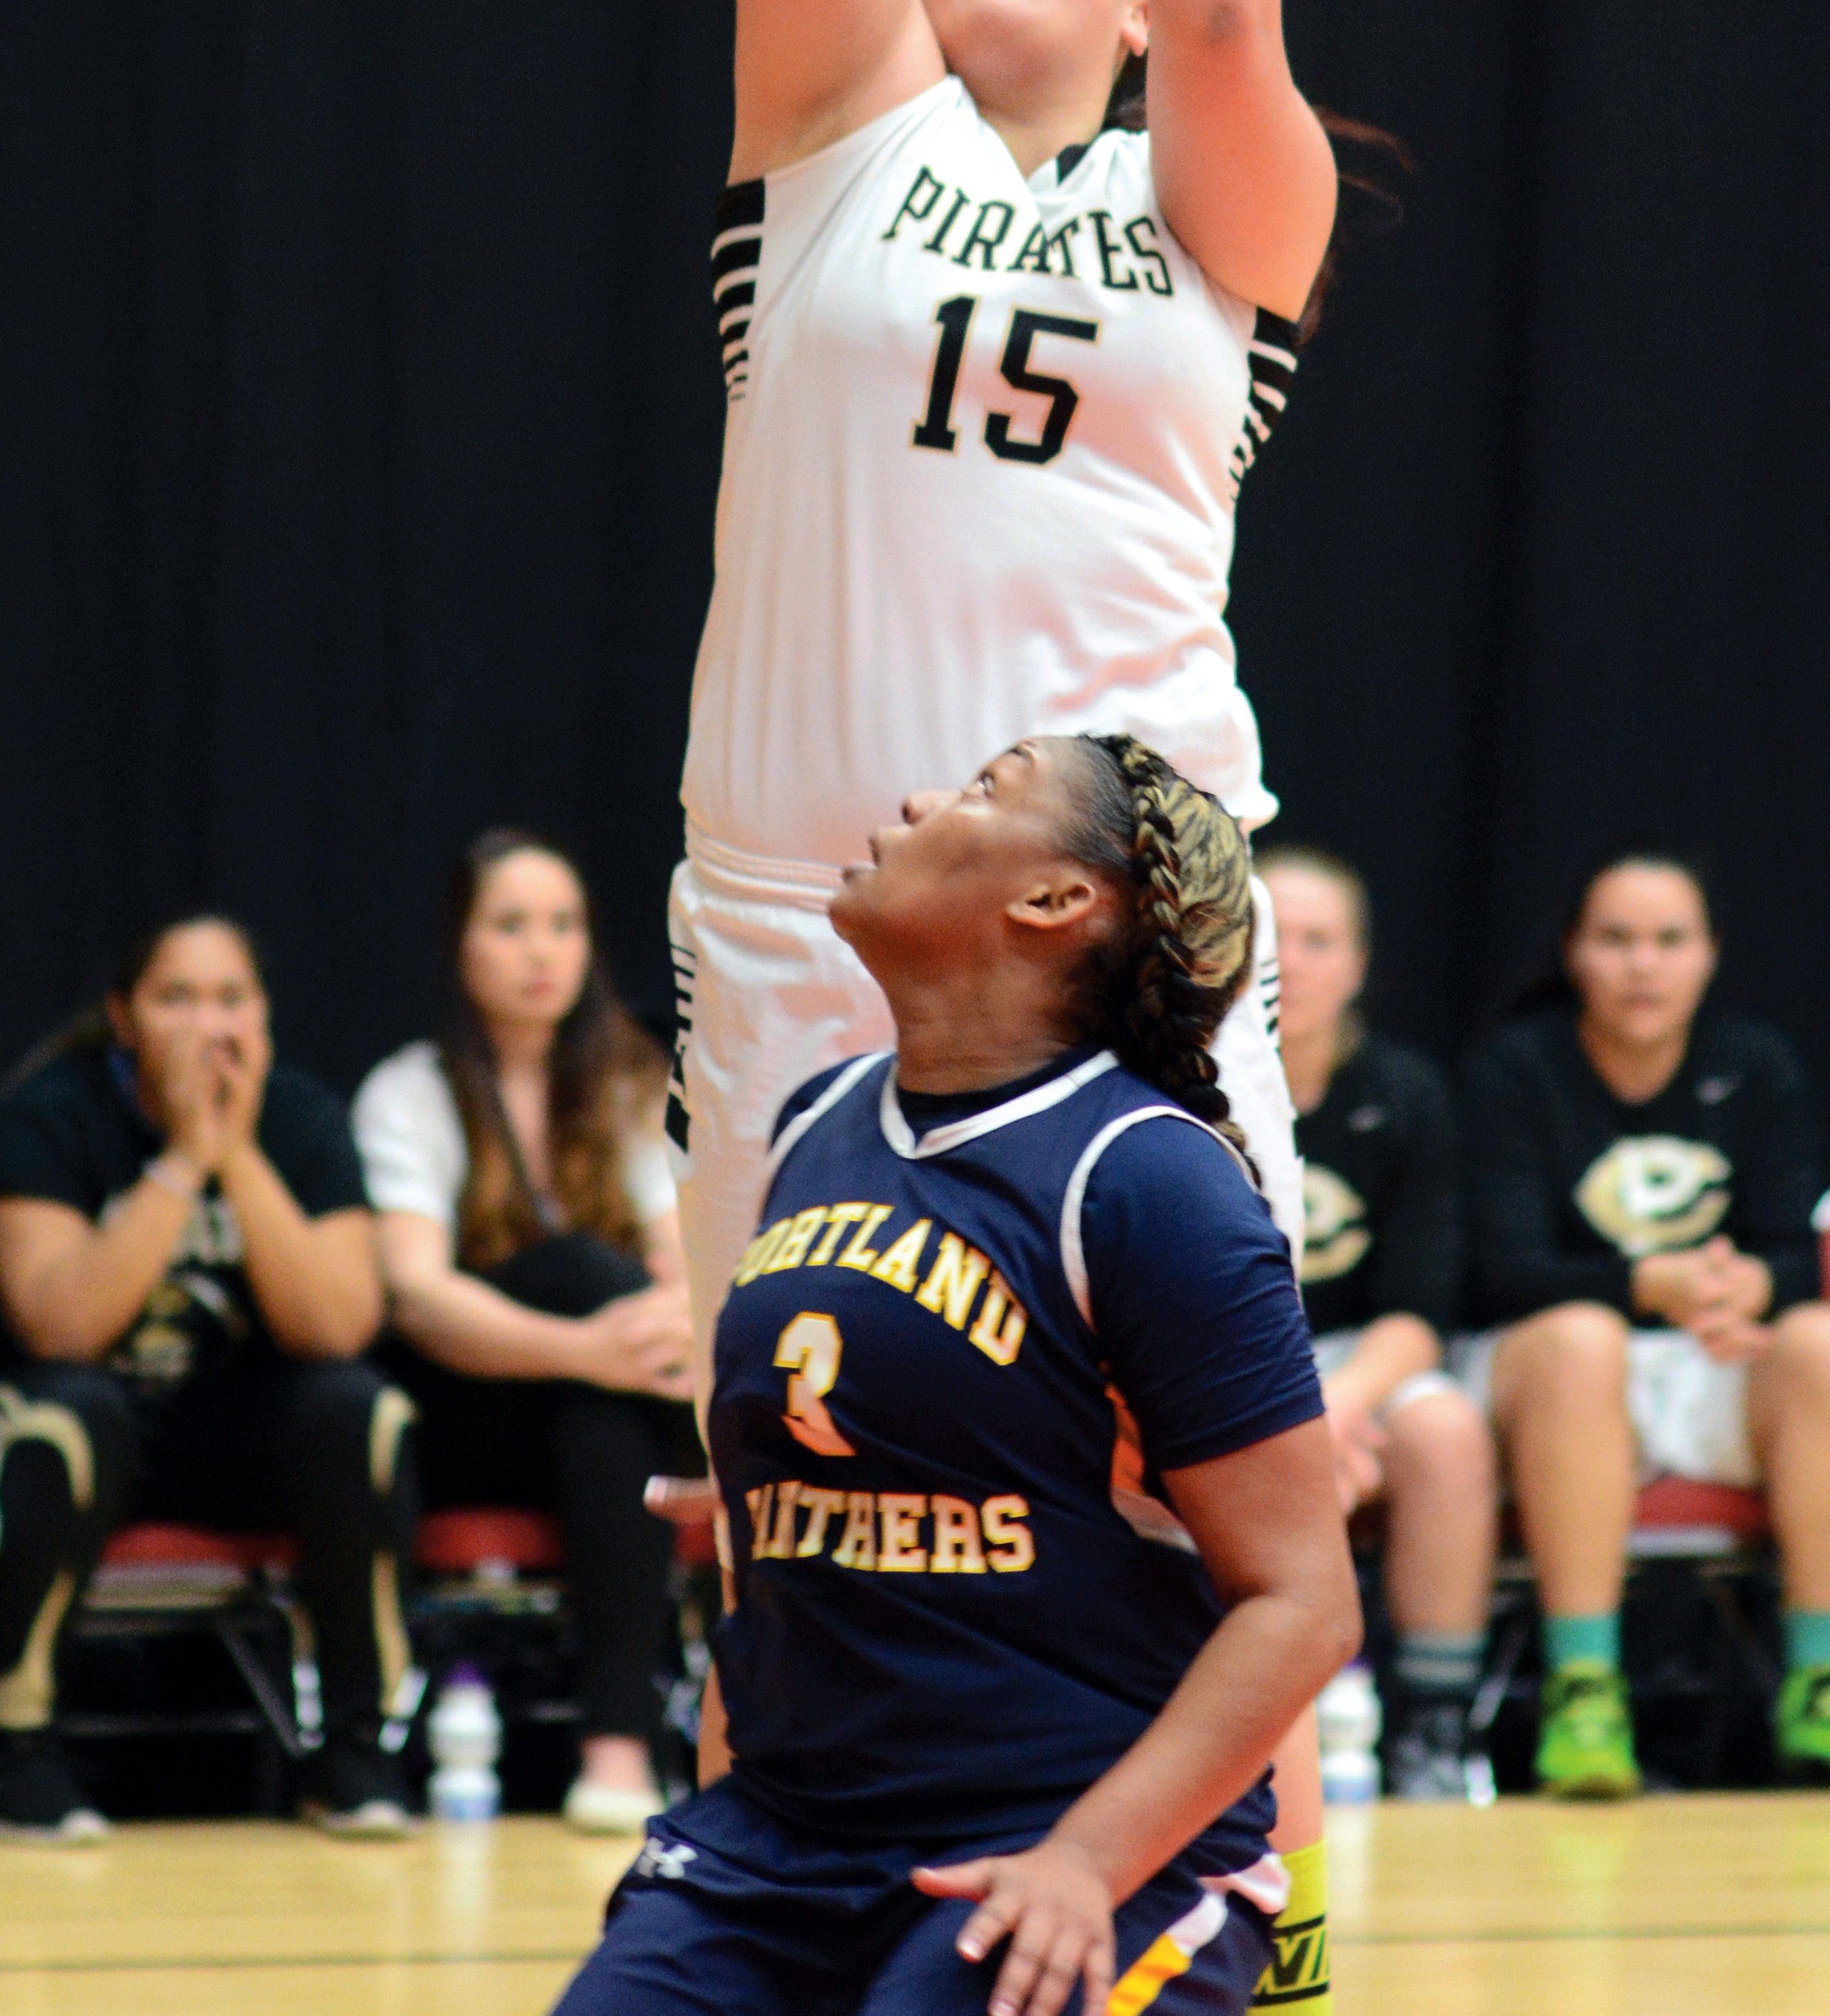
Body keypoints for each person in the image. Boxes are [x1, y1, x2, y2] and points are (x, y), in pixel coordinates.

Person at [673, 0, 1342, 1356]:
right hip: (807, 923)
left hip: (1132, 920)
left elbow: (1242, 3)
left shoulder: (1223, 205)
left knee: (1202, 1510)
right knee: (805, 1507)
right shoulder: (831, 137)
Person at [552, 733, 1356, 2016]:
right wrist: (796, 1486)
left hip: (1063, 1838)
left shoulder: (1149, 1179)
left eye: (985, 789)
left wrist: (1088, 1860)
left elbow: (1304, 1602)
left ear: (1053, 901)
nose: (920, 800)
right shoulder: (817, 1119)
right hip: (781, 1839)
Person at [0, 914, 417, 1842]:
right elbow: (60, 1325)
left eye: (232, 998)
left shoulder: (303, 1116)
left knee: (358, 1407)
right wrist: (185, 1158)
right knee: (65, 1415)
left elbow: (341, 1323)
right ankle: (20, 1741)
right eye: (176, 997)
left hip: (238, 1429)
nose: (209, 1024)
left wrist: (238, 1153)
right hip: (104, 1424)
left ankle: (356, 1747)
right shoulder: (50, 1114)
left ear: (264, 1016)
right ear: (124, 1017)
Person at [1461, 851, 1830, 1796]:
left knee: (1815, 1340)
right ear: (1575, 953)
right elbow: (1497, 1271)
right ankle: (1583, 1684)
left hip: (1709, 1359)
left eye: (1668, 940)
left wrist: (1749, 1284)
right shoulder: (1516, 1069)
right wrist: (1645, 1285)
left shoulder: (1753, 1066)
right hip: (1547, 1369)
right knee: (1584, 1337)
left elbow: (1794, 1250)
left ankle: (1816, 1674)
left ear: (1705, 955)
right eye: (1615, 939)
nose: (1642, 965)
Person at [353, 833, 697, 1833]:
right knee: (582, 1276)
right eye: (510, 925)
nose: (540, 951)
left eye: (562, 925)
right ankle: (621, 1735)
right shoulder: (409, 1090)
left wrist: (627, 1345)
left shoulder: (633, 1081)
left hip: (602, 1410)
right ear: (461, 946)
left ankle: (616, 1746)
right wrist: (587, 1343)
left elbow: (682, 1277)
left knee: (608, 1383)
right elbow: (415, 1295)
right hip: (461, 1415)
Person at [1261, 846, 1496, 1799]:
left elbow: (1418, 1312)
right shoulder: (1177, 1085)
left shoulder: (1402, 1094)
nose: (1291, 960)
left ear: (1356, 964)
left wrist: (1333, 1406)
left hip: (1354, 1358)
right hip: (1222, 1355)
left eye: (1317, 939)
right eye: (1269, 934)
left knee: (1443, 1430)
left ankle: (1433, 1729)